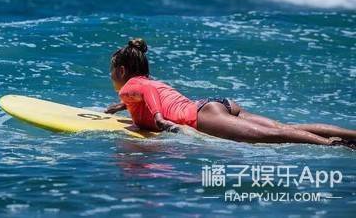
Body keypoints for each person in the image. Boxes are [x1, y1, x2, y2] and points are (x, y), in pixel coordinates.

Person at [105, 38, 356, 148]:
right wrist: (121, 107)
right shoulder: (142, 86)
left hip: (200, 117)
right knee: (285, 127)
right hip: (216, 105)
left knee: (275, 136)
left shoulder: (133, 86)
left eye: (112, 70)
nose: (111, 76)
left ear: (122, 70)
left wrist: (159, 119)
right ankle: (350, 135)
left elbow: (146, 93)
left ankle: (335, 146)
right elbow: (149, 93)